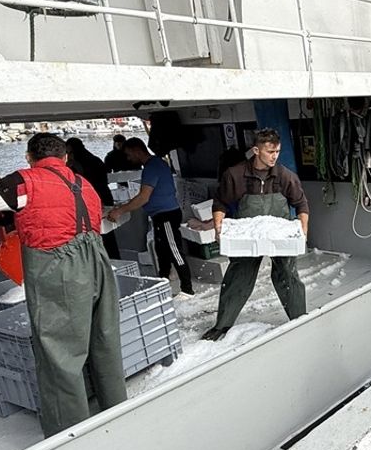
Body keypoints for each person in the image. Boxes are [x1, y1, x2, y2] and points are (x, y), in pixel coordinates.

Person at [0, 133, 126, 438]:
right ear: (66, 157)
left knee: (60, 353)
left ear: (29, 157)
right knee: (104, 342)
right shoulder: (84, 184)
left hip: (59, 269)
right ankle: (117, 410)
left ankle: (70, 433)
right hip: (98, 265)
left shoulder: (23, 183)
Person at [200, 129, 310, 341]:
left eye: (277, 151)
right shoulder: (235, 175)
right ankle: (221, 326)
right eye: (270, 152)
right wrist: (218, 226)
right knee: (238, 276)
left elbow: (301, 203)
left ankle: (299, 319)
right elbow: (220, 202)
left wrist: (302, 229)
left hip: (278, 232)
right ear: (256, 150)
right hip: (249, 234)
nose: (274, 156)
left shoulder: (285, 175)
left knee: (288, 273)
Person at [107, 139, 194, 297]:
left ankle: (188, 289)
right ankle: (162, 283)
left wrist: (120, 210)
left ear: (136, 151)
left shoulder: (153, 167)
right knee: (162, 251)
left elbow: (143, 197)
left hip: (166, 214)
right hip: (160, 214)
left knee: (174, 251)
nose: (128, 159)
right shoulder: (155, 165)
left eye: (128, 154)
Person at [67, 138, 120, 260]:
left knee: (94, 233)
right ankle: (114, 258)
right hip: (105, 196)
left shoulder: (77, 164)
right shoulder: (95, 159)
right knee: (108, 233)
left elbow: (79, 183)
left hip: (91, 201)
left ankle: (101, 260)